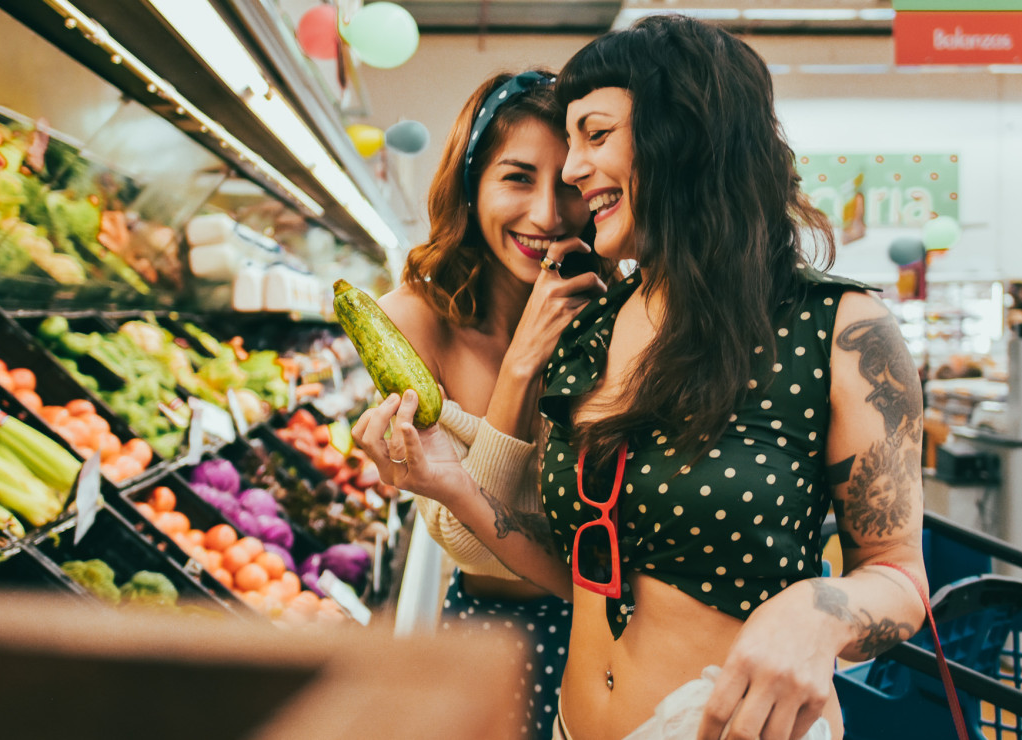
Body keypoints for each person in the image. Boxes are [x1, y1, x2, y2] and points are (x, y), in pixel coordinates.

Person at [355, 16, 927, 740]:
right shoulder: (590, 326)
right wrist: (452, 484)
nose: (569, 171)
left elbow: (899, 577)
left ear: (684, 133)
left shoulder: (838, 329)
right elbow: (585, 574)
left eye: (593, 136)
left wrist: (819, 612)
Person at [372, 69, 614, 740]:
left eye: (568, 185)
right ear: (471, 183)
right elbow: (469, 545)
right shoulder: (409, 323)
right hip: (492, 633)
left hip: (613, 643)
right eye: (515, 178)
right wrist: (521, 366)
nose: (546, 215)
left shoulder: (619, 316)